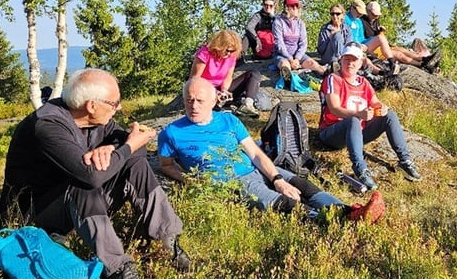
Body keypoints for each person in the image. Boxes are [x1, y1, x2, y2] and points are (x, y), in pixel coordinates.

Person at [0, 68, 188, 279]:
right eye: (114, 102)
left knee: (136, 166)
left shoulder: (97, 120)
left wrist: (116, 148)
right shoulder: (47, 125)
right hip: (37, 213)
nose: (118, 108)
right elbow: (89, 177)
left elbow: (137, 150)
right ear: (91, 105)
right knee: (84, 183)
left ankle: (167, 241)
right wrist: (126, 148)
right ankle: (119, 270)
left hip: (75, 207)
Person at [158, 76, 385, 222]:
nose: (194, 106)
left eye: (199, 100)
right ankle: (333, 222)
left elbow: (255, 153)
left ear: (213, 100)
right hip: (231, 181)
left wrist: (277, 178)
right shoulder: (171, 133)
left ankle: (349, 210)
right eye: (189, 100)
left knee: (301, 185)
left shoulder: (228, 121)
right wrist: (190, 181)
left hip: (255, 168)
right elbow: (165, 165)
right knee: (284, 204)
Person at [317, 43, 423, 190]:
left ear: (361, 63)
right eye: (347, 59)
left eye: (354, 60)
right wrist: (358, 114)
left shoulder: (363, 82)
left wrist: (382, 108)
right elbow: (334, 109)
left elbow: (375, 103)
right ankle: (361, 169)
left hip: (358, 132)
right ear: (341, 60)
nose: (350, 63)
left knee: (390, 115)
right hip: (331, 132)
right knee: (353, 120)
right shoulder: (333, 79)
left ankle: (405, 161)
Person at [190, 30, 262, 118]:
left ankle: (248, 104)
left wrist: (224, 91)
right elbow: (194, 79)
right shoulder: (204, 53)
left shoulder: (231, 56)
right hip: (204, 89)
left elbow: (228, 77)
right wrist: (214, 92)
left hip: (220, 88)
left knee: (254, 73)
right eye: (227, 50)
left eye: (232, 51)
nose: (229, 54)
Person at [362, 1, 442, 73]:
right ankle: (421, 64)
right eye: (374, 14)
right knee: (398, 54)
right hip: (373, 48)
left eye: (377, 15)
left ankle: (423, 59)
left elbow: (376, 35)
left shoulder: (375, 21)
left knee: (401, 49)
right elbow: (370, 37)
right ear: (368, 11)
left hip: (380, 46)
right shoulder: (362, 22)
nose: (376, 16)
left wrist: (381, 32)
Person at [273, 0, 327, 81]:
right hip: (282, 55)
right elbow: (279, 44)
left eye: (297, 6)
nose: (295, 8)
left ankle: (326, 73)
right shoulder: (278, 22)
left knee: (312, 63)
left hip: (298, 55)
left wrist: (297, 59)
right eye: (292, 6)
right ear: (286, 7)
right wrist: (290, 59)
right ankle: (287, 78)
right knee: (284, 64)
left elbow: (303, 43)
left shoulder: (300, 23)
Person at [317, 3, 355, 68]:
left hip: (344, 56)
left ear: (343, 15)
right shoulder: (325, 29)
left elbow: (348, 46)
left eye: (337, 14)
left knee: (337, 35)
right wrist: (331, 38)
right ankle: (340, 60)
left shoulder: (347, 29)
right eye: (332, 14)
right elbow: (321, 50)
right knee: (337, 35)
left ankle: (340, 60)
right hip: (328, 57)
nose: (335, 16)